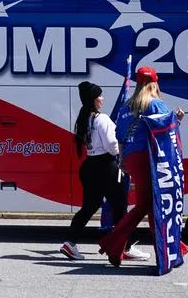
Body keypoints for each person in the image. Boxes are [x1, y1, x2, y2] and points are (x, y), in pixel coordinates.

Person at [98, 66, 187, 266]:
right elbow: (165, 133)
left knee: (147, 205)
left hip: (131, 157)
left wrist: (123, 160)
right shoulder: (157, 104)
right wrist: (178, 120)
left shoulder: (126, 107)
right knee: (149, 205)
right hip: (150, 157)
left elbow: (119, 137)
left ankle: (172, 248)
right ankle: (113, 244)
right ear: (154, 83)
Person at [59, 81, 146, 262]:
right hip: (108, 166)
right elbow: (112, 145)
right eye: (99, 96)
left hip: (91, 166)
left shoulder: (85, 119)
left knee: (89, 207)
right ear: (93, 99)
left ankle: (70, 242)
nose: (102, 99)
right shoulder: (102, 119)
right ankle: (124, 247)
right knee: (120, 207)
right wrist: (122, 152)